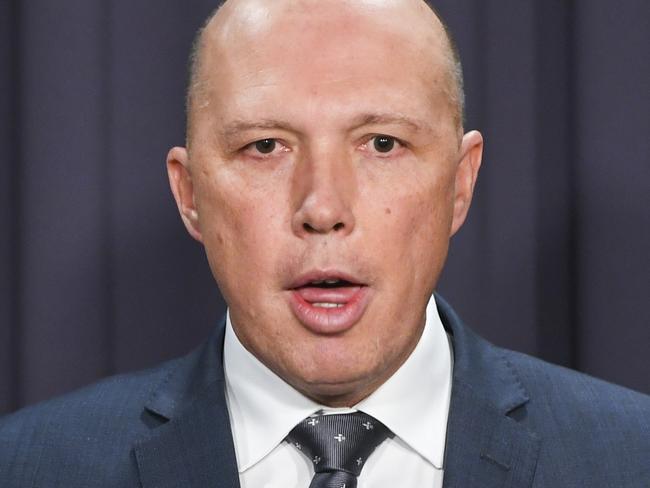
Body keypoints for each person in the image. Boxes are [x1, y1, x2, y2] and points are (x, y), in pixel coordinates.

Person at [1, 0, 648, 486]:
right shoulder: (32, 466)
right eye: (265, 147)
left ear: (459, 182)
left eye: (383, 144)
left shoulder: (628, 458)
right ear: (189, 192)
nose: (323, 208)